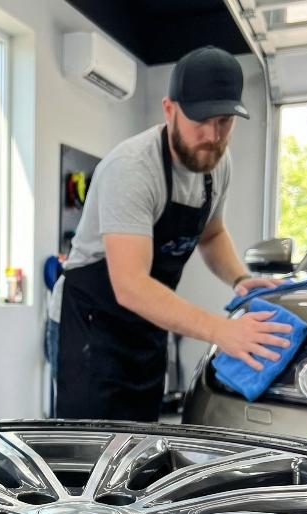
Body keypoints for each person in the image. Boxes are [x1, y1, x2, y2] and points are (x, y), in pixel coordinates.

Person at [50, 46, 291, 421]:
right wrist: (221, 331)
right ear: (169, 109)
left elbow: (212, 235)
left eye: (224, 121)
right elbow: (131, 286)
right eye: (200, 120)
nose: (212, 135)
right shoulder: (132, 169)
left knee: (142, 439)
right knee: (90, 447)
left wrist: (239, 279)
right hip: (92, 326)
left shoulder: (217, 164)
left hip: (146, 326)